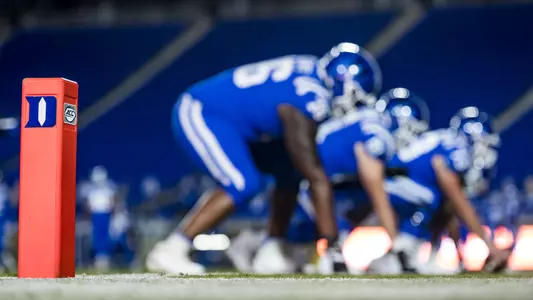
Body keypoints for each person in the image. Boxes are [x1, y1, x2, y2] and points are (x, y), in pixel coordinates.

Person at [146, 42, 381, 274]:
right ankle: (173, 248)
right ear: (341, 82)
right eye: (356, 99)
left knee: (290, 172)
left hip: (234, 123)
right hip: (203, 111)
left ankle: (273, 249)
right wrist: (332, 246)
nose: (353, 108)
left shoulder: (310, 69)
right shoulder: (311, 96)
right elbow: (316, 176)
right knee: (243, 183)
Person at [369, 106, 507, 274]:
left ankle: (427, 255)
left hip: (397, 185)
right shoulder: (457, 147)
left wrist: (460, 257)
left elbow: (450, 211)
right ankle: (401, 254)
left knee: (441, 202)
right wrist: (490, 246)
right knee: (433, 198)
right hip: (391, 185)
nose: (489, 153)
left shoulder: (446, 140)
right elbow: (459, 202)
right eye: (486, 145)